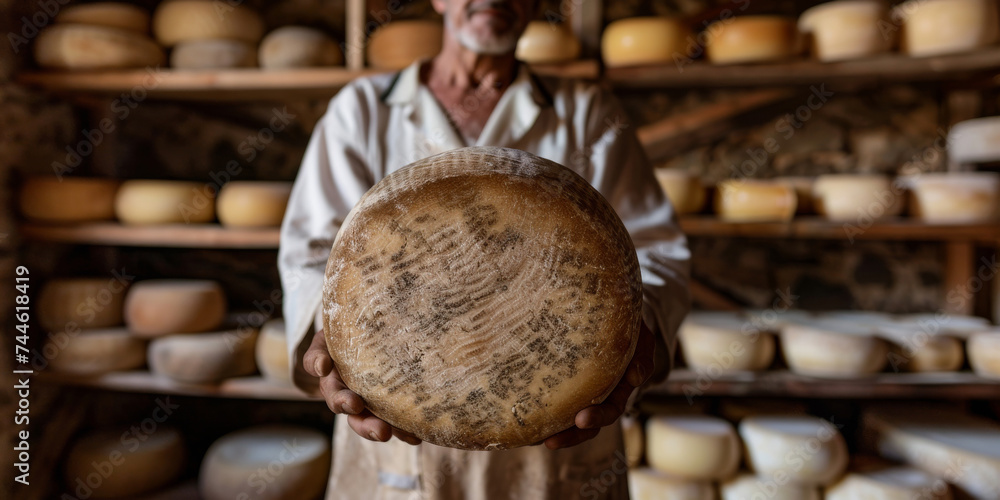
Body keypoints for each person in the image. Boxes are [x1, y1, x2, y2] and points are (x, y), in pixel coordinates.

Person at [278, 0, 691, 497]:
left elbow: (655, 249)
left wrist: (639, 331)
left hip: (560, 433)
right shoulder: (362, 108)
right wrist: (327, 330)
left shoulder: (587, 111)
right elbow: (310, 251)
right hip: (398, 436)